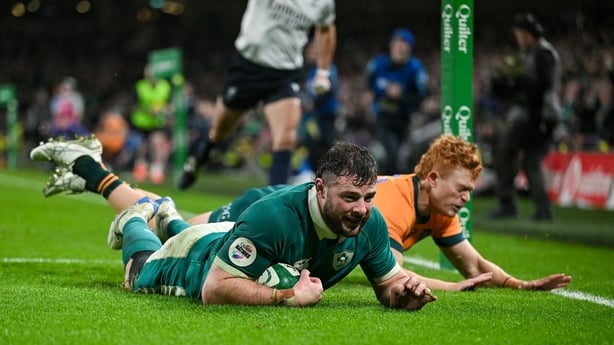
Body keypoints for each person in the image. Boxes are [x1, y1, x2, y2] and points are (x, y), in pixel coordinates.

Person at [39, 135, 572, 292]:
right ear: (429, 180)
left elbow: (466, 266)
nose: (465, 200)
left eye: (470, 192)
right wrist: (288, 297)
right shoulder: (382, 202)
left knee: (186, 233)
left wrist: (516, 285)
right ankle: (101, 177)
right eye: (461, 189)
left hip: (294, 221)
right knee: (176, 242)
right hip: (266, 207)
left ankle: (156, 210)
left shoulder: (431, 214)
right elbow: (222, 283)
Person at [30, 136, 436, 310]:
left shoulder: (371, 223)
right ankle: (138, 215)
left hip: (234, 241)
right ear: (321, 190)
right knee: (138, 271)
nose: (362, 209)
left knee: (185, 225)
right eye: (350, 197)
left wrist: (404, 291)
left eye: (368, 198)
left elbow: (388, 283)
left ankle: (165, 212)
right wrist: (288, 297)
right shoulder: (276, 217)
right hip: (200, 261)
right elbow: (213, 289)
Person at [177, 0, 337, 190]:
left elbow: (326, 29)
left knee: (286, 138)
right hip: (248, 67)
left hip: (284, 74)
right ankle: (199, 158)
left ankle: (275, 204)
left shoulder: (322, 2)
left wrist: (323, 72)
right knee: (219, 130)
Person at [488, 13, 561, 221]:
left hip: (539, 116)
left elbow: (542, 86)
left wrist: (516, 81)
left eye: (521, 34)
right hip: (535, 116)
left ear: (530, 34)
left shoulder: (543, 54)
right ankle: (542, 209)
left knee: (506, 152)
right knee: (529, 161)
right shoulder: (531, 53)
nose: (519, 39)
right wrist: (506, 84)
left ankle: (509, 203)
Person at [365, 28, 429, 175]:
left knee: (405, 159)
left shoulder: (415, 68)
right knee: (389, 155)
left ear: (410, 48)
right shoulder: (378, 65)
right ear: (391, 45)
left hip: (405, 120)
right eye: (397, 43)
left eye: (404, 44)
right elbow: (369, 87)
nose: (399, 47)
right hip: (384, 119)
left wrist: (401, 96)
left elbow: (421, 96)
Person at [300, 40, 341, 173]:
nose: (309, 53)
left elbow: (329, 88)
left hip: (326, 115)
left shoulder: (327, 68)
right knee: (312, 146)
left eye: (313, 51)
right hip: (314, 117)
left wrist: (314, 103)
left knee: (326, 146)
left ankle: (330, 175)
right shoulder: (311, 71)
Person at [130, 64, 173, 184]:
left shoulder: (165, 86)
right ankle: (140, 168)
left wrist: (165, 110)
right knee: (142, 146)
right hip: (142, 122)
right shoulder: (140, 86)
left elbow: (170, 104)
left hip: (158, 122)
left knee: (157, 143)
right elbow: (133, 105)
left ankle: (157, 170)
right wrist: (147, 109)